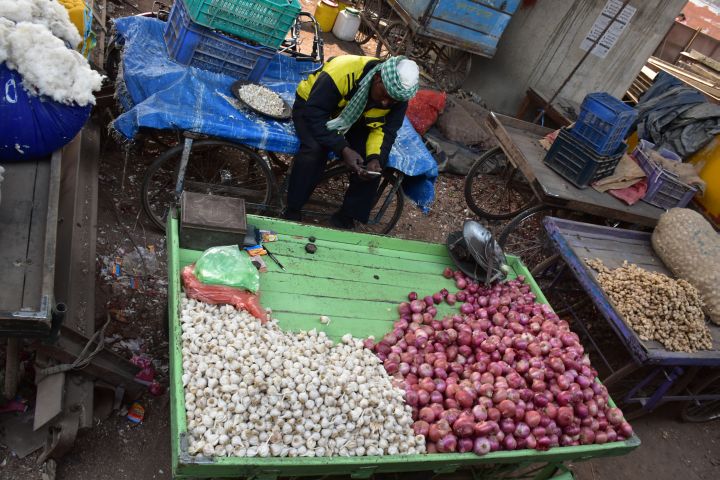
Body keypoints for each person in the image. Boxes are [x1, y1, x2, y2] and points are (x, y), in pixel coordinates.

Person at [283, 55, 419, 229]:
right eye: (385, 95)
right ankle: (293, 208)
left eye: (392, 100)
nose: (386, 102)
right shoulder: (343, 71)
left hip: (355, 119)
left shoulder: (398, 97)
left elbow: (385, 131)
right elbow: (315, 115)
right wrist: (343, 148)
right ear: (377, 78)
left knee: (373, 167)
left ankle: (346, 217)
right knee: (314, 150)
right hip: (313, 108)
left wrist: (375, 158)